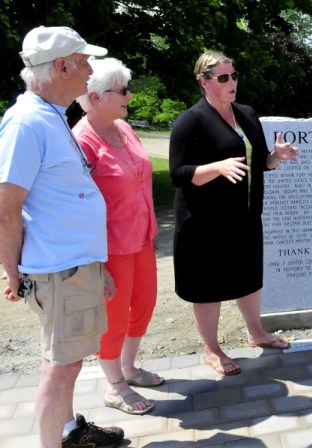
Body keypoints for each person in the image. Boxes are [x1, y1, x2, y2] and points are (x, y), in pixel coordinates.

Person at [0, 26, 124, 447]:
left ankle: (68, 432)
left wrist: (97, 266)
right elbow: (5, 210)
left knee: (63, 361)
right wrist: (13, 272)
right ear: (62, 66)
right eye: (84, 61)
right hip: (59, 271)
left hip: (73, 267)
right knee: (62, 366)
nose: (90, 70)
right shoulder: (27, 123)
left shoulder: (49, 116)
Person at [169, 51, 299, 376]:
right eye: (223, 78)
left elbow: (258, 164)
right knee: (208, 287)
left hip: (245, 217)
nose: (232, 83)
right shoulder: (191, 121)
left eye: (234, 75)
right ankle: (211, 350)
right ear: (204, 82)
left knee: (249, 279)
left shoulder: (246, 114)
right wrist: (217, 166)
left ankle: (257, 334)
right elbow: (178, 173)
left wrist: (275, 157)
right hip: (204, 223)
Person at [73, 58, 162, 415]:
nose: (129, 95)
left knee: (144, 305)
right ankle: (114, 385)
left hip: (141, 239)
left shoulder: (124, 128)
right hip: (110, 248)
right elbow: (78, 204)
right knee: (114, 316)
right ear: (96, 97)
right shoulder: (82, 140)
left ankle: (128, 368)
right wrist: (97, 262)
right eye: (122, 90)